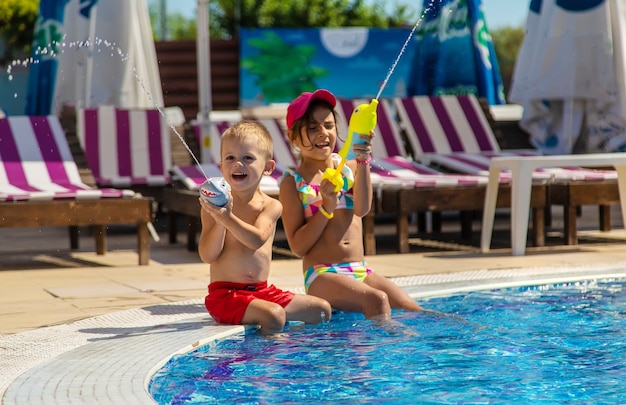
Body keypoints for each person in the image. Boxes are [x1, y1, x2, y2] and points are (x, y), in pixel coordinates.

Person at [278, 89, 425, 321]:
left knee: (415, 311)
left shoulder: (350, 168)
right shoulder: (292, 184)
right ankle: (390, 352)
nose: (323, 133)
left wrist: (363, 159)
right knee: (377, 300)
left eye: (328, 125)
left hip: (360, 270)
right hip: (322, 274)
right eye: (313, 128)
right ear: (293, 137)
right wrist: (326, 207)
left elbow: (362, 209)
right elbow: (298, 246)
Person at [198, 120, 332, 334]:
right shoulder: (213, 207)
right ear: (221, 167)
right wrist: (220, 218)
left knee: (322, 310)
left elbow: (256, 239)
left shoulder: (271, 206)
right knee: (274, 315)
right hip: (225, 295)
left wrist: (226, 217)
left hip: (262, 292)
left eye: (248, 158)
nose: (237, 164)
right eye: (230, 158)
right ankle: (267, 357)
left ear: (268, 167)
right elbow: (207, 255)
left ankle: (297, 347)